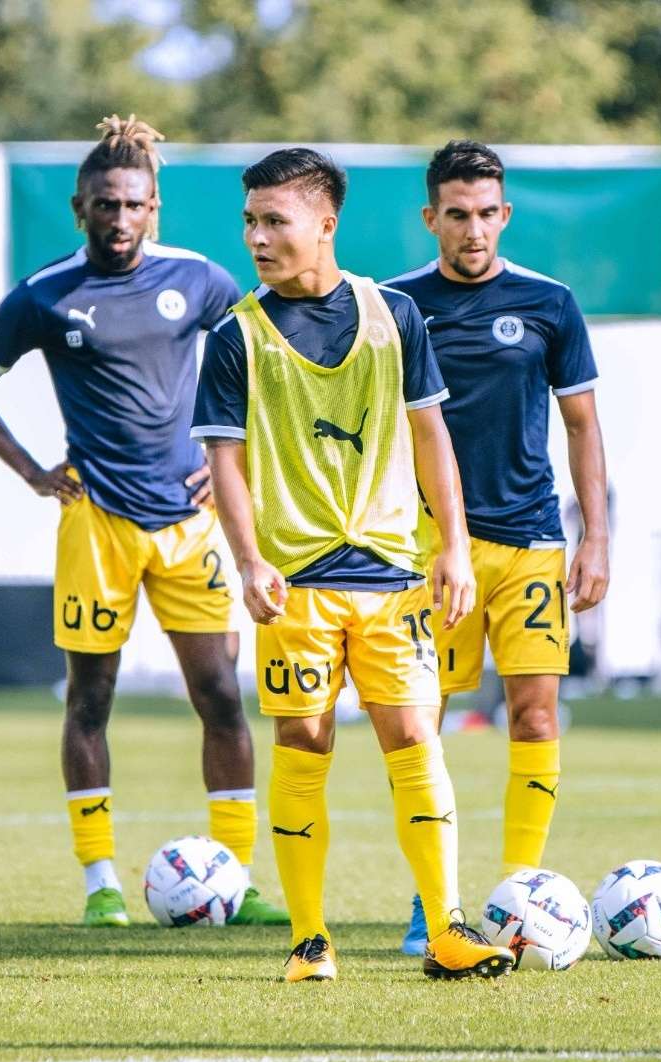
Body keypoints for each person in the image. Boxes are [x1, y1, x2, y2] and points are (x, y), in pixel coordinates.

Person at [0, 116, 287, 928]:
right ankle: (100, 880)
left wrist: (239, 459)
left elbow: (272, 362)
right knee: (88, 701)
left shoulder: (200, 281)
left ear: (155, 207)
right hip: (95, 523)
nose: (121, 219)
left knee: (221, 698)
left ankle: (236, 879)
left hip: (190, 526)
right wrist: (32, 471)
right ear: (80, 208)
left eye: (134, 204)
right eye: (106, 205)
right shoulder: (43, 295)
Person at [195, 146, 515, 983]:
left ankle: (446, 928)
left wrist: (452, 545)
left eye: (275, 221)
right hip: (295, 583)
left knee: (416, 738)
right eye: (250, 222)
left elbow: (430, 433)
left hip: (393, 578)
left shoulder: (395, 314)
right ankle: (309, 938)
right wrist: (250, 558)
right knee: (304, 742)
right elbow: (224, 460)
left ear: (325, 224)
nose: (257, 238)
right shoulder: (238, 334)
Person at [381, 140, 609, 956]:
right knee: (422, 725)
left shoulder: (550, 303)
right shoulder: (395, 306)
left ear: (504, 215)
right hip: (432, 551)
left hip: (533, 545)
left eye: (486, 214)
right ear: (431, 218)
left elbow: (582, 426)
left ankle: (522, 896)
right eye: (456, 215)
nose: (472, 230)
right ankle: (431, 902)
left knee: (536, 713)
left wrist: (597, 539)